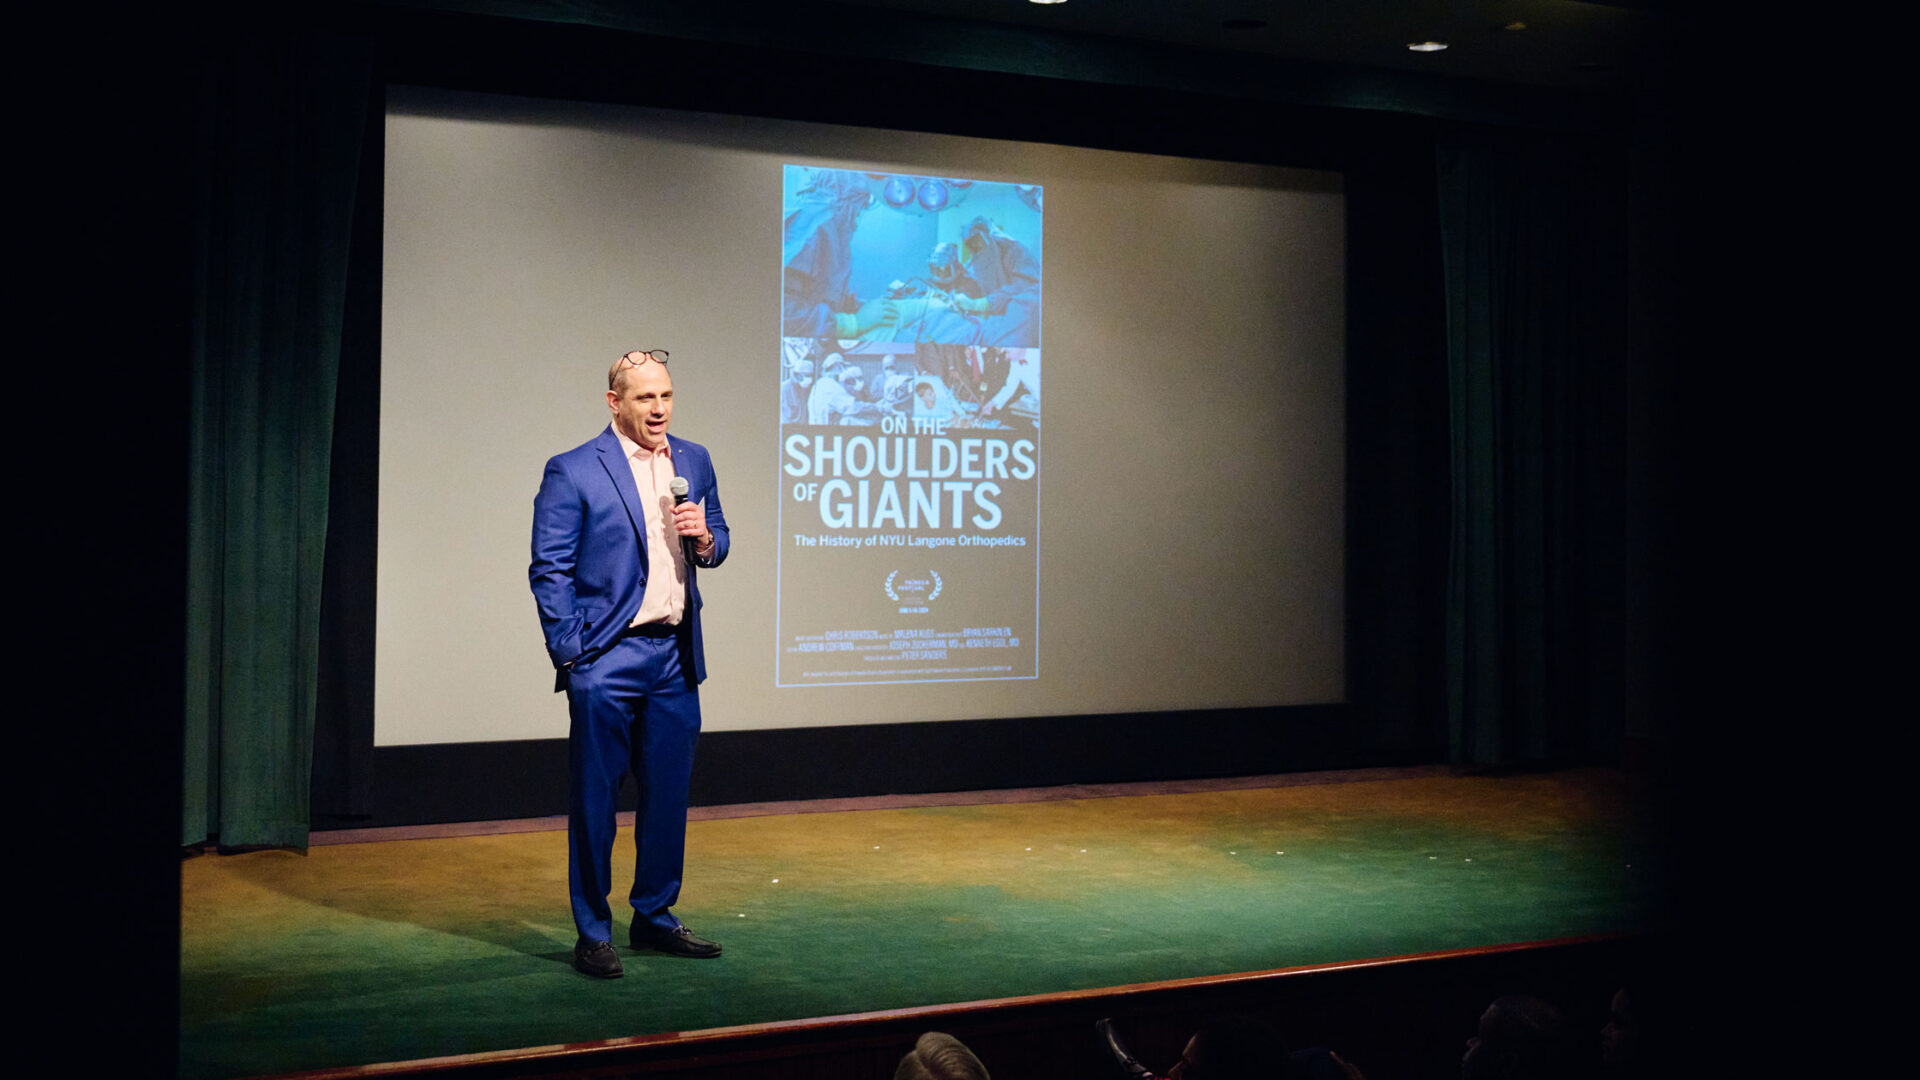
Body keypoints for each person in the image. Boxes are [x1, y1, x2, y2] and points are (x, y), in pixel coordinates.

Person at [529, 348, 730, 979]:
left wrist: (704, 538)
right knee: (596, 800)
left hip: (673, 656)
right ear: (615, 402)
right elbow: (550, 568)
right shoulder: (572, 470)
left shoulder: (693, 460)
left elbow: (720, 539)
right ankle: (593, 930)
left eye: (666, 396)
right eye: (646, 398)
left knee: (667, 797)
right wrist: (575, 654)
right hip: (607, 658)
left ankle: (655, 916)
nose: (660, 409)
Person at [780, 355, 815, 423]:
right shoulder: (784, 389)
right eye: (807, 375)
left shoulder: (803, 389)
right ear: (797, 375)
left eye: (811, 375)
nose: (810, 379)